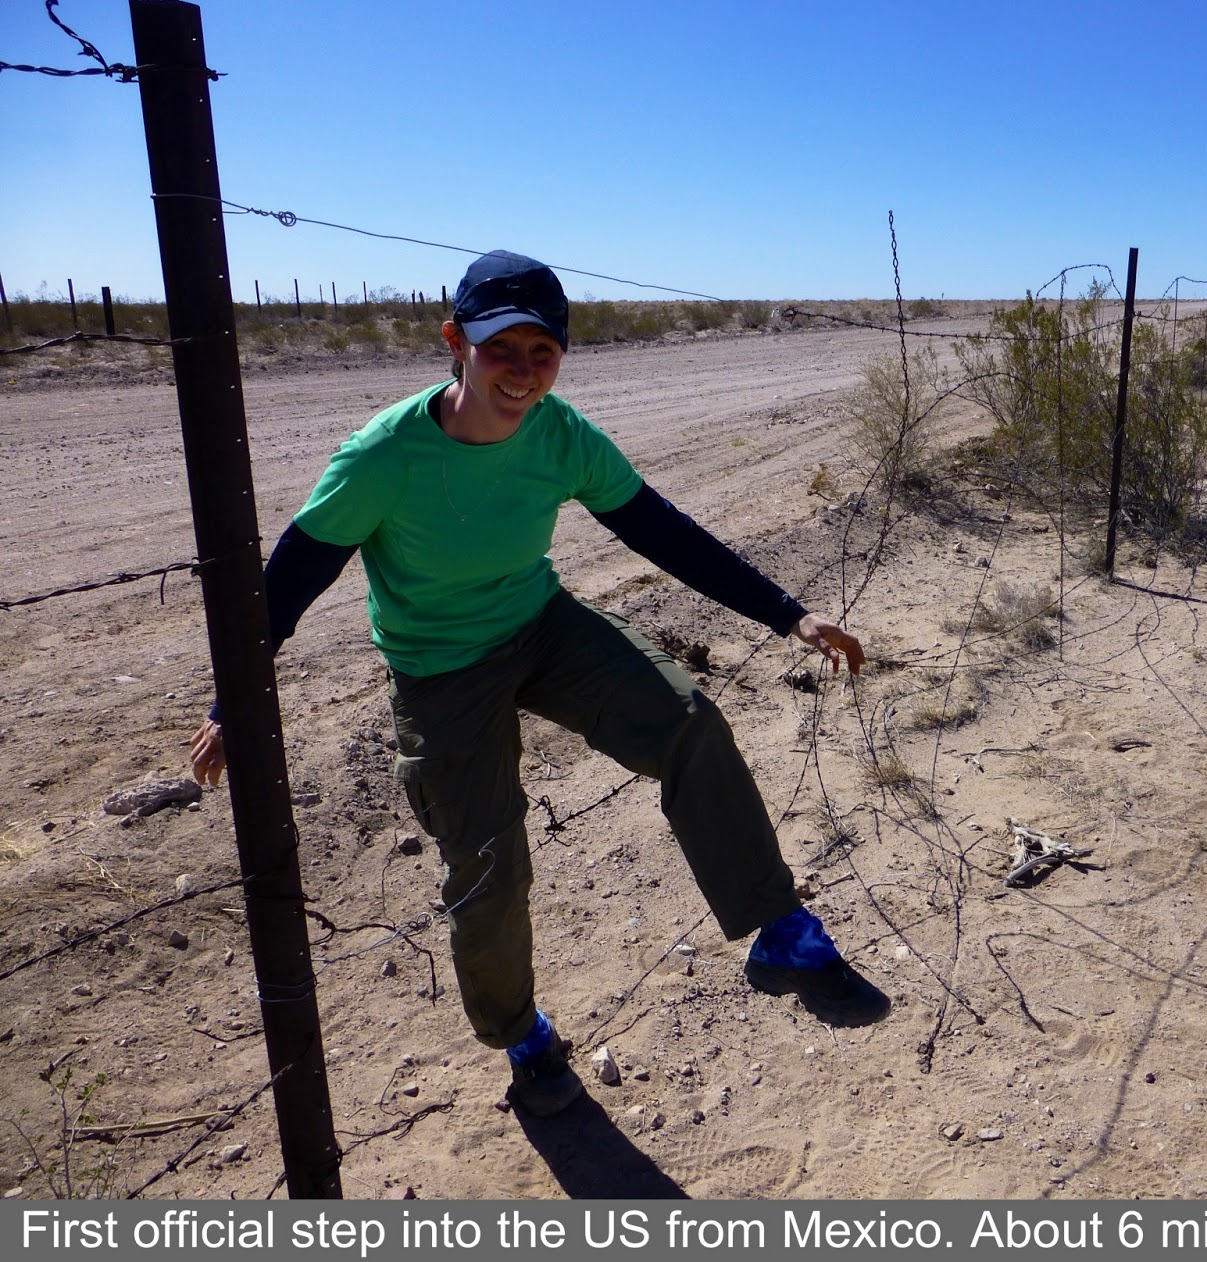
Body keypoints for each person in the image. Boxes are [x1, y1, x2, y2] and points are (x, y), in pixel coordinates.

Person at [189, 250, 889, 1117]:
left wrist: (789, 616)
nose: (522, 372)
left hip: (541, 626)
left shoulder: (559, 434)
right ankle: (520, 1032)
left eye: (542, 352)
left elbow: (661, 531)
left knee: (687, 721)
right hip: (440, 667)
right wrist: (231, 704)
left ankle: (778, 931)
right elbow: (287, 584)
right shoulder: (382, 458)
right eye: (501, 349)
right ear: (456, 342)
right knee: (487, 859)